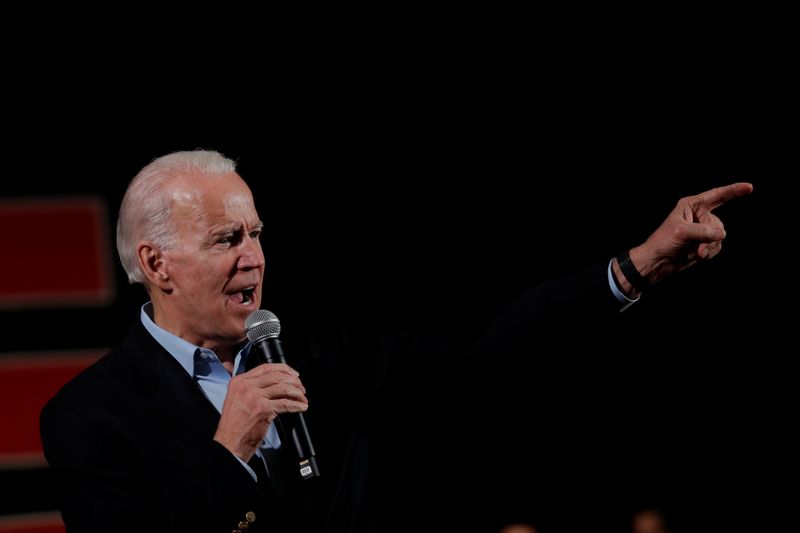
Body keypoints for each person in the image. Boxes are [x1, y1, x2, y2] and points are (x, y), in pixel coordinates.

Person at [39, 149, 752, 533]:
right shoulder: (88, 415)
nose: (254, 256)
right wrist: (229, 451)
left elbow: (482, 349)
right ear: (157, 263)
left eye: (257, 233)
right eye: (227, 238)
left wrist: (634, 268)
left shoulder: (318, 350)